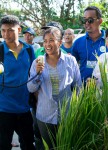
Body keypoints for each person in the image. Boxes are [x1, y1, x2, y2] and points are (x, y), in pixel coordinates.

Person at [27, 27, 82, 149]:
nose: (47, 44)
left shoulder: (70, 60)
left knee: (66, 146)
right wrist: (37, 74)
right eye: (45, 41)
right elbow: (30, 88)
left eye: (51, 40)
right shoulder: (37, 63)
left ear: (60, 42)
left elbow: (78, 86)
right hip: (45, 115)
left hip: (67, 115)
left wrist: (77, 110)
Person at [0, 15, 35, 150]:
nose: (6, 34)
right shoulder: (0, 50)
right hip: (3, 108)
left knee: (28, 144)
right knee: (3, 146)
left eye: (10, 30)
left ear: (19, 29)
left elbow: (34, 75)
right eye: (3, 30)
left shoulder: (28, 49)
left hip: (24, 107)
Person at [72, 6, 108, 84]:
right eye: (84, 20)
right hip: (82, 90)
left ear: (100, 21)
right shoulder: (78, 42)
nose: (87, 23)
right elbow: (72, 67)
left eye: (90, 20)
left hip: (105, 91)